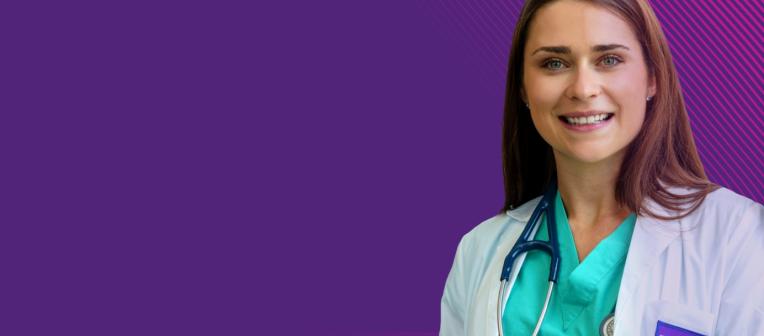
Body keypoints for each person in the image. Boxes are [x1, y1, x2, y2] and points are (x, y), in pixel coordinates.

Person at [439, 0, 764, 335]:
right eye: (554, 63)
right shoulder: (479, 251)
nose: (582, 89)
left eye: (609, 60)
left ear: (653, 77)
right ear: (523, 86)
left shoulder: (740, 240)